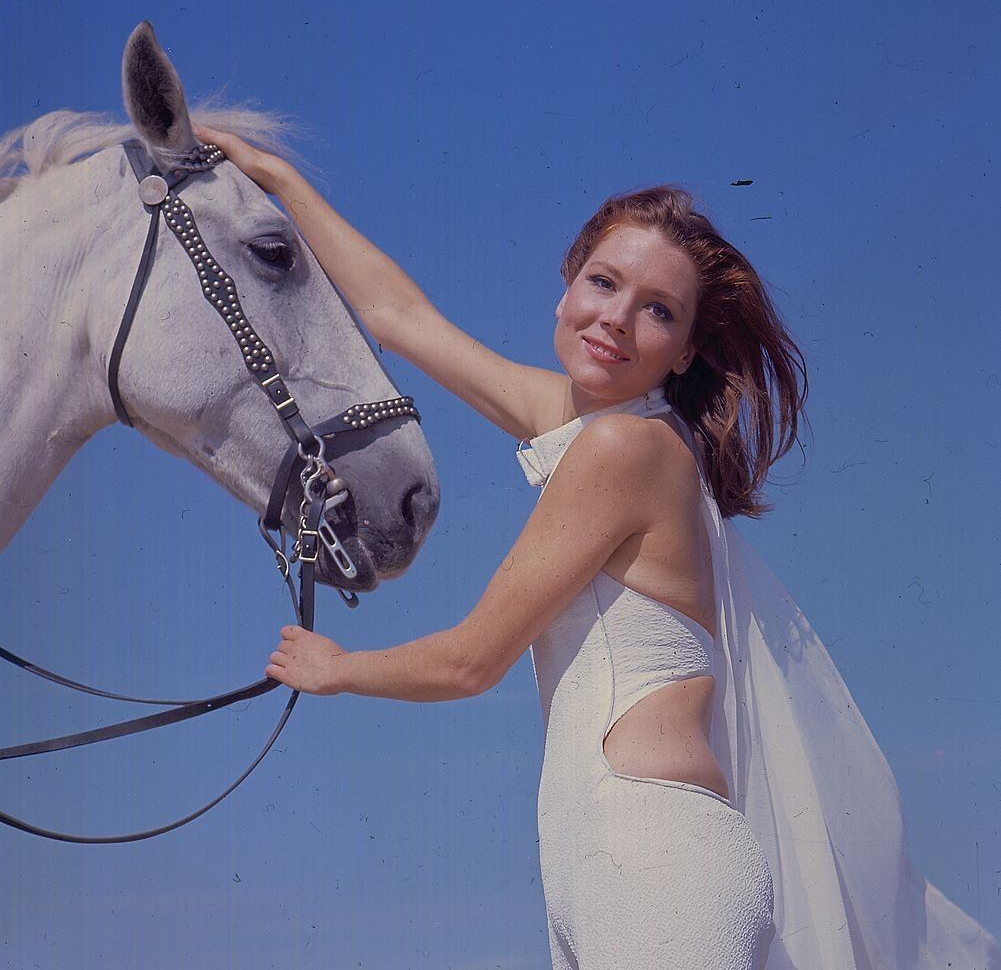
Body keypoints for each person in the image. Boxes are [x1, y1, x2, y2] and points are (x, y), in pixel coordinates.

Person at [192, 123, 1001, 970]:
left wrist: (337, 668)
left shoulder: (625, 451)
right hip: (601, 859)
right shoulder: (592, 428)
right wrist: (280, 180)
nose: (616, 318)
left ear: (684, 349)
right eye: (602, 283)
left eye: (657, 310)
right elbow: (399, 319)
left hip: (652, 852)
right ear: (565, 290)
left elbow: (470, 662)